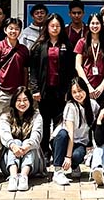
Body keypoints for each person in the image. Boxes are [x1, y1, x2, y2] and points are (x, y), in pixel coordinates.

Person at [29, 13, 75, 149]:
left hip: (61, 91)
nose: (55, 28)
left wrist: (69, 91)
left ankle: (57, 150)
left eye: (57, 26)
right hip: (44, 91)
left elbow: (71, 70)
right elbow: (34, 70)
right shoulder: (39, 45)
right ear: (47, 27)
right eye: (52, 26)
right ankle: (44, 151)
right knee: (44, 121)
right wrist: (35, 89)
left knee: (59, 122)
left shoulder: (67, 45)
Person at [51, 78, 99, 185]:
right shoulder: (70, 106)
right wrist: (68, 157)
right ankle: (58, 171)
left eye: (80, 90)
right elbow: (70, 134)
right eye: (74, 92)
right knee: (63, 134)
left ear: (86, 90)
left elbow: (98, 124)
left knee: (78, 155)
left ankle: (74, 165)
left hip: (79, 142)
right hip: (63, 141)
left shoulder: (93, 105)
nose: (78, 94)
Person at [0, 87, 45, 191]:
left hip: (33, 165)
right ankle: (13, 177)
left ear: (30, 101)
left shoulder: (36, 115)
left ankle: (24, 177)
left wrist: (26, 148)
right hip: (8, 165)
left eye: (25, 100)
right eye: (19, 100)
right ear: (14, 101)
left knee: (28, 142)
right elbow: (4, 135)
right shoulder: (6, 116)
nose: (22, 103)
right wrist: (14, 146)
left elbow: (36, 136)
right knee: (15, 142)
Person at [0, 17, 29, 115]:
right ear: (5, 30)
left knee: (18, 120)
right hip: (2, 93)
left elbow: (25, 71)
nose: (13, 31)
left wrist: (25, 90)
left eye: (16, 29)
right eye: (11, 28)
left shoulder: (24, 49)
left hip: (19, 93)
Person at [75, 12, 104, 102]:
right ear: (88, 25)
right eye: (92, 23)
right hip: (86, 85)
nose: (95, 26)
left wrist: (102, 86)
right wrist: (88, 85)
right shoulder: (82, 42)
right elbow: (78, 66)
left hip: (102, 86)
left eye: (97, 23)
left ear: (101, 24)